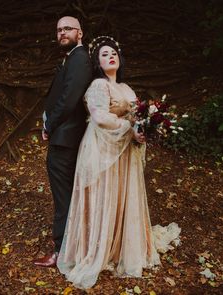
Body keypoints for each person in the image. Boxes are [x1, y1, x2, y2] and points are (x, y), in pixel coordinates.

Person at [57, 36, 181, 288]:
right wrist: (130, 127)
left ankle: (119, 245)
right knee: (105, 194)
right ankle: (99, 247)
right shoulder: (98, 86)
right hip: (101, 148)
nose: (110, 56)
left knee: (121, 195)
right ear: (97, 62)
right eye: (104, 54)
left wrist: (144, 128)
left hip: (124, 149)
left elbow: (136, 115)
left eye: (113, 52)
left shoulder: (126, 89)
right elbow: (101, 117)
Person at [34, 16, 92, 267]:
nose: (62, 33)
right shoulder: (73, 57)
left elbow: (69, 99)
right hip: (65, 137)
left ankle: (62, 251)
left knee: (63, 197)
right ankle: (72, 247)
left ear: (80, 33)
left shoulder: (80, 59)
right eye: (58, 29)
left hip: (66, 139)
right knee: (66, 194)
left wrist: (49, 124)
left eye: (67, 28)